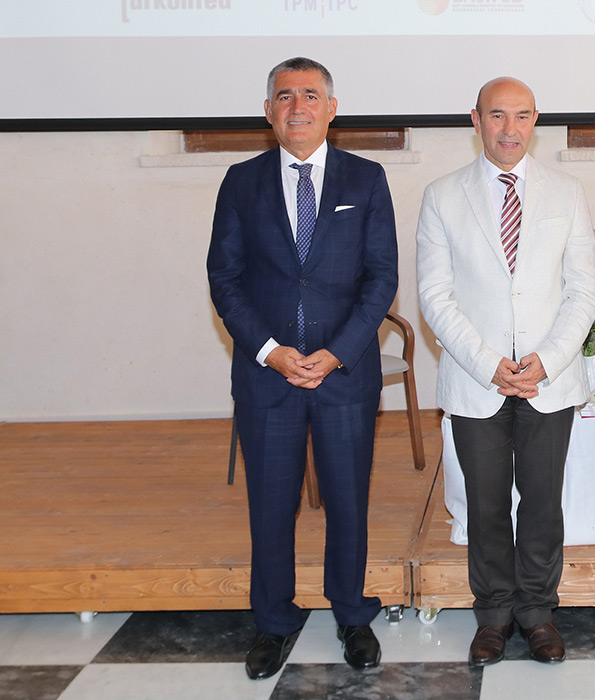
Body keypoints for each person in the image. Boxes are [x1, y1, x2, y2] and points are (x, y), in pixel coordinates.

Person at [207, 57, 398, 680]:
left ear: (331, 108)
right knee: (270, 505)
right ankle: (273, 620)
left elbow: (381, 278)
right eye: (285, 96)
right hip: (268, 376)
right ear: (269, 112)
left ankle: (352, 614)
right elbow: (224, 278)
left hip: (343, 374)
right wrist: (270, 350)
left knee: (347, 501)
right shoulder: (241, 181)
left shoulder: (366, 179)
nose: (298, 107)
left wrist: (338, 351)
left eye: (310, 95)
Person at [416, 77, 595, 667]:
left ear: (535, 121)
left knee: (542, 503)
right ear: (476, 120)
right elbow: (435, 295)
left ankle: (538, 613)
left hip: (549, 378)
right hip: (477, 380)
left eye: (521, 116)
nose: (510, 128)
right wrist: (487, 363)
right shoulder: (442, 196)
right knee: (486, 504)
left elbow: (582, 289)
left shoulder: (567, 192)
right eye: (497, 115)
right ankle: (493, 615)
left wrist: (549, 358)